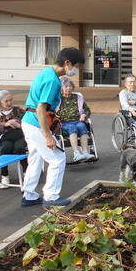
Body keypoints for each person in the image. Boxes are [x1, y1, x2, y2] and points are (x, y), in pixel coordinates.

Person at [21, 47, 85, 208]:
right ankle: (51, 197)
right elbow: (41, 109)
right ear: (67, 63)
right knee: (57, 159)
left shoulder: (46, 73)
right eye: (76, 66)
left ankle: (29, 195)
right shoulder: (53, 81)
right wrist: (48, 136)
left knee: (35, 158)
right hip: (37, 123)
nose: (76, 70)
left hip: (28, 121)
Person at [0, 90, 27, 188]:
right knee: (6, 148)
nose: (10, 103)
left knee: (20, 147)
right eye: (6, 101)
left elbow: (29, 122)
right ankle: (5, 176)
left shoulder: (18, 110)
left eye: (11, 100)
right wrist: (5, 124)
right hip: (5, 138)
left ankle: (26, 174)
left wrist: (18, 124)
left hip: (19, 135)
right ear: (0, 102)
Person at [57, 77, 95, 163]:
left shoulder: (78, 97)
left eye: (70, 86)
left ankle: (85, 153)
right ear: (61, 88)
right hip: (64, 123)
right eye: (66, 86)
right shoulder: (58, 98)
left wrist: (84, 114)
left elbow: (87, 109)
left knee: (82, 126)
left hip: (78, 121)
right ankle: (76, 154)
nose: (68, 88)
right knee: (72, 128)